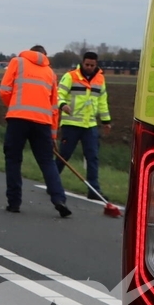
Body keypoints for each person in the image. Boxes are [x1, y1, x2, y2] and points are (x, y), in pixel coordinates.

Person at [0, 46, 72, 217]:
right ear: (44, 56)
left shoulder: (17, 62)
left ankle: (14, 202)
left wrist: (14, 107)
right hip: (43, 123)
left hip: (18, 119)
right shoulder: (50, 73)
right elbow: (54, 108)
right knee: (47, 162)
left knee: (13, 159)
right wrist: (53, 135)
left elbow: (4, 90)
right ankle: (59, 199)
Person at [55, 51, 112, 200]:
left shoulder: (100, 79)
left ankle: (94, 190)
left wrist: (106, 121)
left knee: (92, 157)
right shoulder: (71, 76)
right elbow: (58, 93)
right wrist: (62, 105)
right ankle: (52, 182)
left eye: (92, 65)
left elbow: (102, 101)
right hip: (71, 123)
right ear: (82, 62)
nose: (89, 67)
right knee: (64, 155)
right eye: (87, 64)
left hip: (90, 125)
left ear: (96, 64)